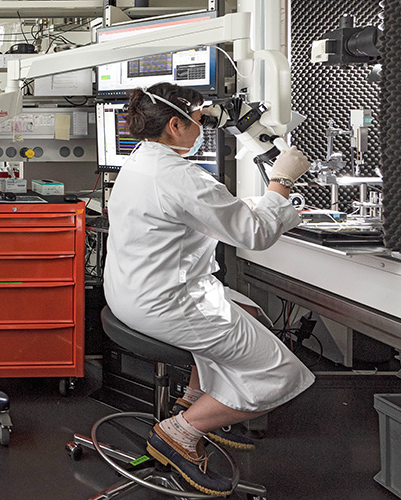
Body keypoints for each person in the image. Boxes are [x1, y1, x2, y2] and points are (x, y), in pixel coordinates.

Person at [103, 82, 315, 496]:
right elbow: (255, 234)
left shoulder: (143, 160)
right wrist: (282, 180)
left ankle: (192, 401)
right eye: (199, 121)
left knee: (249, 313)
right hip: (167, 302)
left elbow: (192, 214)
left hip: (131, 295)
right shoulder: (181, 176)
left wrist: (249, 206)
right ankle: (180, 433)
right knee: (282, 374)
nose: (203, 128)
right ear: (175, 125)